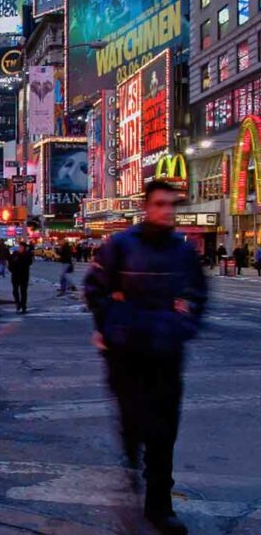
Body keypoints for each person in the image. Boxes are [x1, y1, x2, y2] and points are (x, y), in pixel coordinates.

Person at [85, 181, 207, 535]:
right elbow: (95, 289)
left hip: (167, 352)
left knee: (164, 432)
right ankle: (131, 451)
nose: (167, 210)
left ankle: (159, 507)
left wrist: (183, 324)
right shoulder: (121, 245)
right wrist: (114, 325)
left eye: (171, 204)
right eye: (160, 203)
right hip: (127, 352)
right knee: (134, 420)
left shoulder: (183, 251)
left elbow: (198, 294)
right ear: (146, 207)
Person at [9, 242, 32, 314]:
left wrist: (21, 258)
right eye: (20, 247)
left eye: (22, 247)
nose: (20, 248)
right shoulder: (15, 253)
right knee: (15, 291)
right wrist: (11, 269)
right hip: (15, 275)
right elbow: (10, 261)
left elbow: (29, 262)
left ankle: (23, 306)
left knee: (23, 291)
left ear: (24, 248)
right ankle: (18, 304)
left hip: (24, 275)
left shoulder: (27, 254)